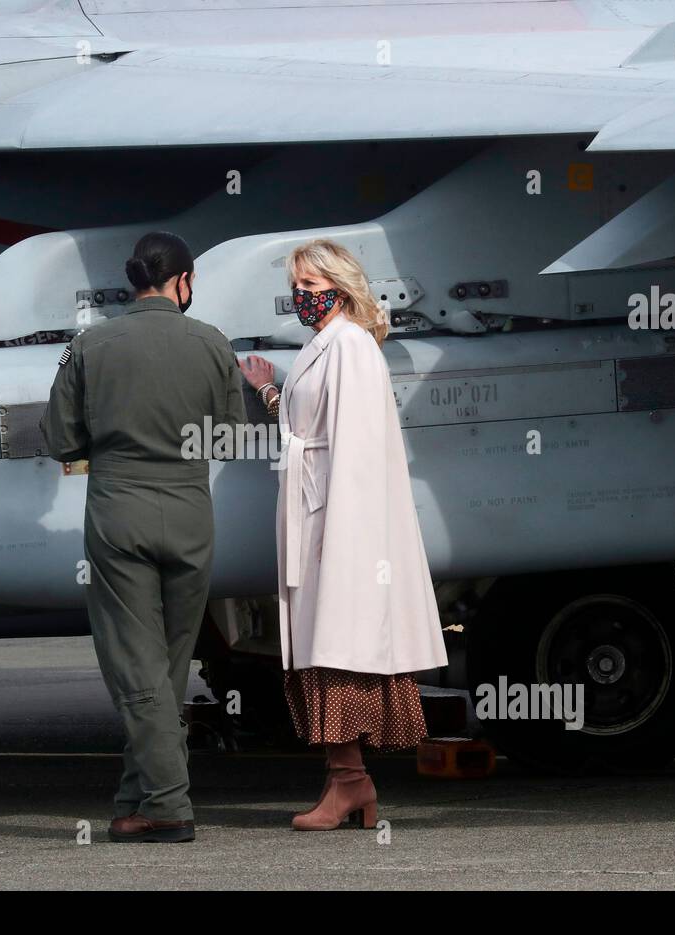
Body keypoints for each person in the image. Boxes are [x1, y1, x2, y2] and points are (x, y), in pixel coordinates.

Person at [40, 231, 246, 843]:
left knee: (137, 669)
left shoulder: (91, 345)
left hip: (120, 513)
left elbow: (61, 440)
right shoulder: (212, 343)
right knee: (167, 669)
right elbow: (229, 439)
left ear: (136, 280)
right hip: (189, 514)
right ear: (182, 280)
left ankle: (167, 806)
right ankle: (137, 797)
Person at [239, 238, 447, 831]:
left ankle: (350, 783)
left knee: (334, 646)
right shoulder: (324, 344)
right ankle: (349, 784)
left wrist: (342, 537)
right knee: (321, 647)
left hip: (334, 520)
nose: (300, 296)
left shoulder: (350, 346)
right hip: (315, 513)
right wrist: (269, 390)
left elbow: (356, 452)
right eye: (297, 286)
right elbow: (313, 424)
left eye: (309, 285)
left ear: (338, 285)